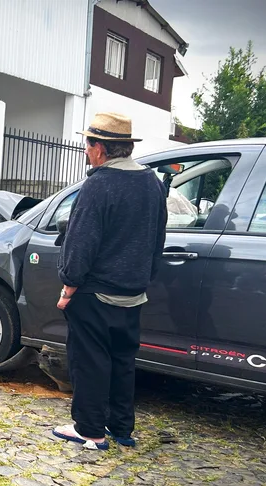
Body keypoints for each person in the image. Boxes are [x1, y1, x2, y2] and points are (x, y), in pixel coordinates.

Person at [52, 112, 167, 450]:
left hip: (96, 292)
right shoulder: (151, 182)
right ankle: (121, 428)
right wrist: (145, 277)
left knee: (89, 361)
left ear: (100, 148)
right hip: (133, 292)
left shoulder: (98, 184)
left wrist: (68, 287)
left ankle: (89, 430)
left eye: (87, 144)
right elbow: (157, 236)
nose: (86, 151)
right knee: (122, 361)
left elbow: (81, 241)